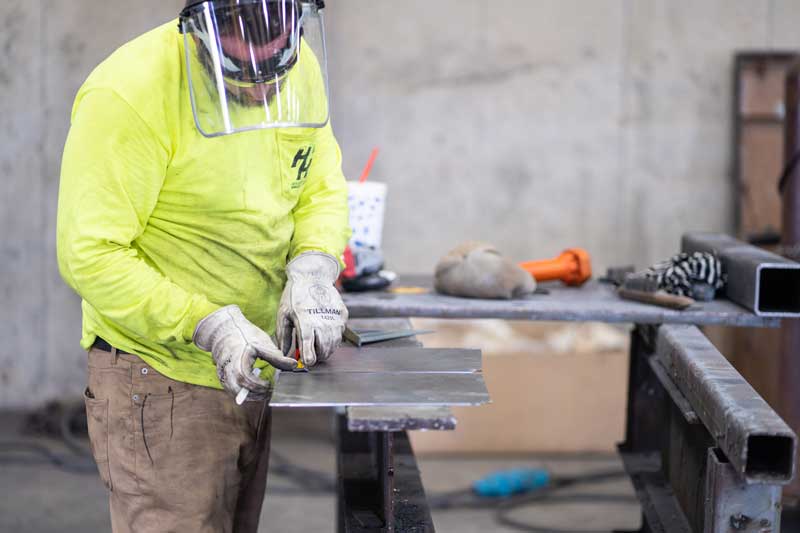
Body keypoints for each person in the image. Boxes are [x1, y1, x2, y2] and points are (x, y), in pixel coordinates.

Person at [56, 1, 349, 531]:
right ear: (200, 34)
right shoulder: (130, 93)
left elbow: (318, 181)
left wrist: (313, 265)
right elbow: (90, 253)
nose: (262, 90)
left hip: (254, 367)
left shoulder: (295, 59)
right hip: (162, 381)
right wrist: (206, 322)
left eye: (273, 70)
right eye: (239, 74)